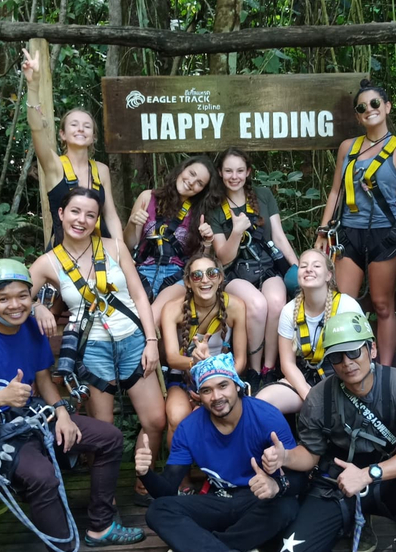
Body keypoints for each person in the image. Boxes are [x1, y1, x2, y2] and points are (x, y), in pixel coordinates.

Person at [0, 259, 145, 552]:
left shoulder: (30, 330)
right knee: (43, 476)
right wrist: (0, 397)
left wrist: (63, 413)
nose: (15, 305)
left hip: (31, 415)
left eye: (23, 296)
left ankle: (101, 525)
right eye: (3, 298)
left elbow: (42, 381)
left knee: (109, 438)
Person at [267, 312, 396, 552]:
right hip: (337, 484)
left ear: (371, 349)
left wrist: (368, 475)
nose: (347, 363)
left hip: (385, 479)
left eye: (353, 351)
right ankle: (351, 521)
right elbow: (310, 454)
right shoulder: (319, 397)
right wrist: (285, 457)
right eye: (337, 357)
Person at [30, 187, 166, 506]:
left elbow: (138, 295)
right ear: (61, 214)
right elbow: (15, 294)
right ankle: (104, 495)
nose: (82, 220)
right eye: (75, 212)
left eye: (90, 215)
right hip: (91, 349)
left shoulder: (114, 247)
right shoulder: (47, 263)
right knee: (101, 429)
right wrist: (36, 306)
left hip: (132, 341)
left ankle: (143, 481)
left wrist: (151, 340)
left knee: (155, 420)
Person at [138, 353, 303, 552]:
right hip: (219, 501)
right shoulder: (189, 428)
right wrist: (145, 473)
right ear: (198, 396)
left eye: (223, 386)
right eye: (206, 390)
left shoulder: (266, 417)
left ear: (237, 385)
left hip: (256, 500)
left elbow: (301, 478)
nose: (216, 397)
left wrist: (276, 484)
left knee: (286, 506)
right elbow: (166, 491)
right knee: (158, 510)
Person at [315, 80, 396, 357]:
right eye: (362, 107)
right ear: (358, 116)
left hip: (384, 234)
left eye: (375, 103)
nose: (369, 110)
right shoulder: (348, 148)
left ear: (386, 107)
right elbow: (336, 191)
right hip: (349, 232)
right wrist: (322, 233)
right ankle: (349, 365)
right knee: (343, 304)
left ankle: (384, 372)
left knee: (383, 304)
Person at [211, 148, 299, 382]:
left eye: (240, 170)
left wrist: (298, 269)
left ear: (248, 172)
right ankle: (253, 368)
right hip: (234, 272)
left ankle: (269, 369)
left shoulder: (263, 195)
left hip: (267, 266)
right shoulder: (215, 205)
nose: (234, 176)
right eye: (228, 171)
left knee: (277, 302)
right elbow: (223, 257)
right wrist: (236, 232)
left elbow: (279, 237)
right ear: (220, 173)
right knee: (258, 305)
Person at [21, 49, 123, 244]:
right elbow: (36, 129)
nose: (80, 129)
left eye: (87, 126)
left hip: (100, 248)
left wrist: (121, 251)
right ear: (63, 134)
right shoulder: (53, 164)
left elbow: (110, 216)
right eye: (74, 125)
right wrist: (33, 86)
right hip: (63, 251)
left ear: (93, 137)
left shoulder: (101, 170)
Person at [256, 249, 364, 415]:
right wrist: (309, 396)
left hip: (342, 376)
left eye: (316, 266)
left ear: (328, 275)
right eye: (303, 266)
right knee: (263, 402)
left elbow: (362, 354)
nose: (308, 269)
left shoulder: (346, 306)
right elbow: (288, 363)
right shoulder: (289, 311)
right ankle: (286, 440)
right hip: (305, 378)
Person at [160, 253, 247, 450]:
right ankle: (182, 479)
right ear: (188, 282)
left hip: (223, 379)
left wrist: (215, 376)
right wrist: (195, 363)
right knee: (176, 417)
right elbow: (172, 357)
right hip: (183, 378)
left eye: (212, 273)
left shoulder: (236, 306)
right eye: (197, 275)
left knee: (227, 414)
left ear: (220, 278)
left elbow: (240, 360)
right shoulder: (172, 309)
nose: (205, 280)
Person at [123, 156, 217, 320]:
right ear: (182, 169)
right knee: (131, 316)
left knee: (152, 315)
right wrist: (132, 223)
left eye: (200, 183)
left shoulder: (199, 212)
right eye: (191, 173)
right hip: (142, 271)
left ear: (202, 190)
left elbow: (200, 260)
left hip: (177, 276)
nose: (191, 182)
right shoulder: (148, 198)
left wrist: (207, 242)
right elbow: (129, 245)